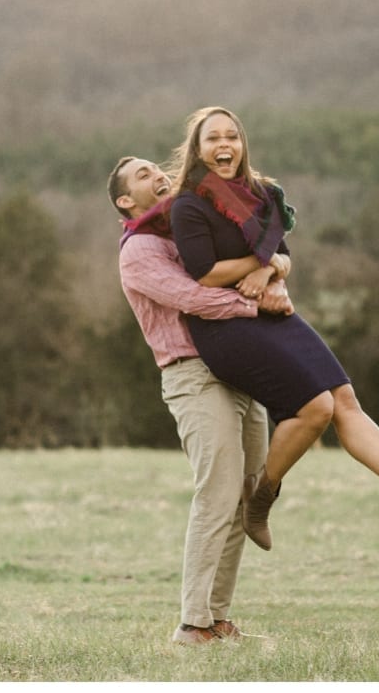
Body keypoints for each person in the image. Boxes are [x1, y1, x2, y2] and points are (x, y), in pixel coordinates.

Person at [166, 106, 379, 550]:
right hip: (224, 326)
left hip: (270, 313)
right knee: (315, 408)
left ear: (243, 145)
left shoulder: (260, 194)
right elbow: (205, 272)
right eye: (212, 138)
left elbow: (283, 253)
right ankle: (262, 497)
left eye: (232, 136)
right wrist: (260, 265)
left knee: (343, 398)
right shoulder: (189, 204)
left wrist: (270, 272)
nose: (224, 145)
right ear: (197, 149)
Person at [108, 154, 294, 645]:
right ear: (126, 202)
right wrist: (255, 301)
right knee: (217, 489)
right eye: (144, 175)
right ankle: (192, 624)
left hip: (239, 369)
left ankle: (217, 618)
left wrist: (273, 268)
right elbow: (193, 297)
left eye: (157, 167)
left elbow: (263, 255)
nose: (159, 175)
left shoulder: (189, 231)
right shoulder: (140, 249)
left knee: (244, 494)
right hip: (193, 375)